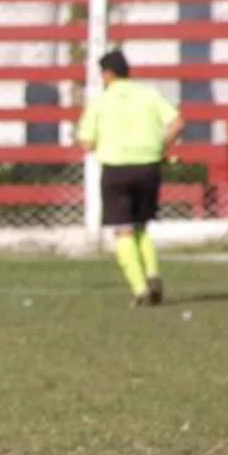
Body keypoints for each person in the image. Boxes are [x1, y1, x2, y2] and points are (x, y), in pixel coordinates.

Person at [77, 49, 185, 307]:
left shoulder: (100, 102)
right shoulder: (148, 94)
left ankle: (140, 290)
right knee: (141, 225)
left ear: (107, 74)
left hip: (116, 169)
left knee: (123, 230)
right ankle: (153, 274)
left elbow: (87, 143)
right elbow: (177, 122)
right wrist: (160, 146)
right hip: (148, 166)